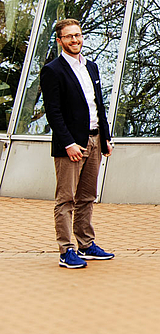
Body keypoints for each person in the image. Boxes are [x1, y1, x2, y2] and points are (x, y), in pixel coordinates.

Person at [41, 19, 115, 269]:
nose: (75, 40)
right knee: (65, 199)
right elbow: (53, 112)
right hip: (71, 146)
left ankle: (86, 244)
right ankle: (66, 250)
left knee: (87, 197)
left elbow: (98, 106)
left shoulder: (91, 67)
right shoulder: (53, 70)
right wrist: (68, 143)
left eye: (78, 35)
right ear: (60, 40)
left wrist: (105, 138)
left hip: (94, 140)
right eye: (69, 36)